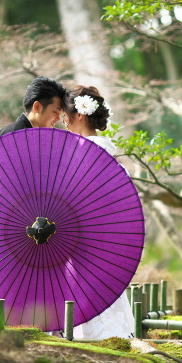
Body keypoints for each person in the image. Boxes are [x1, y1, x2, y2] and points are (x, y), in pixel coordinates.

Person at [63, 85, 135, 339]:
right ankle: (110, 337)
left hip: (81, 236)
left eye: (66, 115)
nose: (64, 122)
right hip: (104, 239)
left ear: (80, 114)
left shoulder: (83, 153)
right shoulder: (106, 155)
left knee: (82, 290)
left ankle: (90, 338)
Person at [0, 76, 66, 138]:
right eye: (55, 112)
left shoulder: (40, 138)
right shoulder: (12, 135)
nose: (58, 118)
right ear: (37, 107)